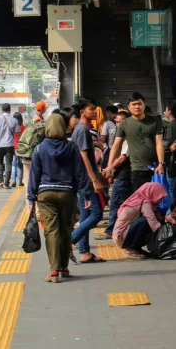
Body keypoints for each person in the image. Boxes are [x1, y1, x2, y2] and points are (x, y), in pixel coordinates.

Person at [28, 114, 90, 283]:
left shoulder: (40, 148)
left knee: (51, 231)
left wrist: (31, 197)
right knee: (65, 229)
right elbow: (80, 173)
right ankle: (63, 267)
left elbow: (34, 174)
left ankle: (54, 270)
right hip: (67, 194)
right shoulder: (71, 148)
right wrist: (86, 194)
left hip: (45, 194)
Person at [69, 98, 106, 263]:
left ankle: (84, 252)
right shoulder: (83, 130)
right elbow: (84, 156)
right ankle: (69, 241)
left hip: (81, 179)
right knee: (97, 214)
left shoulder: (79, 129)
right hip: (85, 180)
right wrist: (94, 180)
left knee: (85, 216)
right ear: (82, 111)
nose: (94, 112)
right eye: (91, 109)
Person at [106, 92, 165, 192]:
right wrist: (109, 166)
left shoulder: (155, 121)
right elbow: (116, 145)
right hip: (138, 169)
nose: (137, 106)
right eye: (134, 104)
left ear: (144, 105)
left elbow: (159, 142)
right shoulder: (124, 124)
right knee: (141, 201)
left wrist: (161, 163)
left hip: (155, 168)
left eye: (139, 103)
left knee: (157, 202)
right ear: (129, 107)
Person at [98, 110, 132, 240]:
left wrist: (110, 168)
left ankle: (111, 230)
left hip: (125, 175)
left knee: (116, 203)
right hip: (120, 174)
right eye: (116, 122)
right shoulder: (120, 137)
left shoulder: (128, 138)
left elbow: (122, 158)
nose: (118, 125)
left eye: (121, 122)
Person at [113, 182, 167, 258]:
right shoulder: (144, 201)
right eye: (159, 197)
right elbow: (150, 217)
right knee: (146, 221)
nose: (160, 200)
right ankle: (132, 248)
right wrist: (163, 232)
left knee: (152, 220)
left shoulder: (139, 199)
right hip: (121, 238)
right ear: (153, 192)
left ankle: (137, 248)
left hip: (122, 236)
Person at [0, 104, 21, 189]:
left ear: (2, 110)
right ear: (10, 111)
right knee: (8, 163)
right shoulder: (14, 120)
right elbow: (17, 132)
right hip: (9, 145)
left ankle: (1, 182)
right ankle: (7, 183)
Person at [164, 100, 176, 201]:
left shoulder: (173, 124)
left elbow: (170, 144)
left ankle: (172, 213)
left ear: (169, 112)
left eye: (165, 109)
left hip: (173, 161)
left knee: (170, 189)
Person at [11, 112, 25, 187]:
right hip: (21, 148)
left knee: (13, 164)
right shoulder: (24, 128)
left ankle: (13, 180)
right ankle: (19, 181)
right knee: (20, 165)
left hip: (13, 147)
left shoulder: (12, 127)